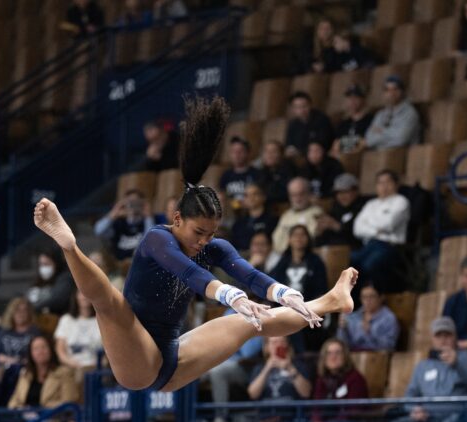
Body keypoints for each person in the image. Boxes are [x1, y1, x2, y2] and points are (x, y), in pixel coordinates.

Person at [33, 96, 358, 393]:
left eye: (211, 233)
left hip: (173, 363)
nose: (204, 241)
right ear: (177, 220)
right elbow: (187, 272)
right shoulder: (157, 240)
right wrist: (231, 295)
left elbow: (251, 275)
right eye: (198, 232)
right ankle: (69, 246)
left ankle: (331, 300)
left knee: (252, 322)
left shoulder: (214, 248)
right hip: (137, 362)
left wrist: (284, 294)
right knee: (110, 302)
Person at [388, 317, 467, 422]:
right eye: (439, 335)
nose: (443, 339)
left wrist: (457, 365)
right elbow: (410, 395)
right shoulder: (423, 366)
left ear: (455, 337)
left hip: (456, 416)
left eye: (447, 335)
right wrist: (415, 409)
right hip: (427, 418)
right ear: (433, 339)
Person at [7, 334, 79, 422]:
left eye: (44, 347)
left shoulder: (65, 373)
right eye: (36, 348)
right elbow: (14, 401)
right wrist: (24, 410)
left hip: (52, 419)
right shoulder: (25, 374)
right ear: (31, 353)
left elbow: (69, 402)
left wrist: (40, 410)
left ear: (51, 350)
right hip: (26, 419)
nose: (40, 351)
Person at [270, 224, 329, 351]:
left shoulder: (315, 261)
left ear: (308, 239)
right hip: (284, 309)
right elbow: (272, 284)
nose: (299, 238)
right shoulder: (283, 262)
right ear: (289, 239)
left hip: (308, 308)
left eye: (303, 234)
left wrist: (310, 308)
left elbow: (321, 289)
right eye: (295, 235)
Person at [203, 312, 264, 422]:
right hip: (222, 359)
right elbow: (217, 342)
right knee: (195, 371)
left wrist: (240, 329)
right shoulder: (230, 311)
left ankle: (220, 419)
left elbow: (248, 353)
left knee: (217, 372)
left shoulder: (257, 314)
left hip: (246, 367)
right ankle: (181, 420)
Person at [351, 170, 409, 293]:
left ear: (396, 184)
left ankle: (376, 295)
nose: (384, 186)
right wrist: (377, 231)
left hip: (390, 246)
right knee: (350, 262)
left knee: (369, 265)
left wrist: (369, 223)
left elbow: (388, 225)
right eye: (380, 183)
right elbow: (357, 228)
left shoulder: (401, 201)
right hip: (369, 245)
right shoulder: (371, 204)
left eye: (388, 182)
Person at [308, 338, 369, 422]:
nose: (333, 357)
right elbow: (316, 407)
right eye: (329, 353)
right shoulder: (321, 380)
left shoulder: (355, 378)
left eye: (337, 353)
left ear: (345, 356)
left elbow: (353, 411)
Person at [94, 189, 158, 263]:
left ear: (142, 203)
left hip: (138, 263)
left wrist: (148, 217)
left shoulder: (149, 221)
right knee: (95, 257)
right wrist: (114, 213)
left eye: (136, 202)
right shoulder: (118, 222)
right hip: (118, 262)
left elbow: (150, 240)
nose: (133, 205)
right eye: (130, 202)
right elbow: (98, 231)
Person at [338, 283, 400, 351]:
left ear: (381, 297)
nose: (367, 301)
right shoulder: (353, 317)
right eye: (364, 297)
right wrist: (343, 330)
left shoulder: (389, 318)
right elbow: (341, 345)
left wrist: (369, 333)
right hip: (353, 356)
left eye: (372, 296)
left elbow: (389, 346)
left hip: (377, 358)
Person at [364, 76, 420, 150]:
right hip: (381, 155)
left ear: (402, 91)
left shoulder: (410, 113)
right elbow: (369, 139)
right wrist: (392, 134)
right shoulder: (381, 114)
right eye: (387, 90)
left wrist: (381, 131)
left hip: (401, 155)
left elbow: (401, 139)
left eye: (395, 89)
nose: (391, 93)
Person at [272, 177, 324, 253]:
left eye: (301, 194)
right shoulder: (286, 215)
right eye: (293, 195)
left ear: (309, 194)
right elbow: (276, 240)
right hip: (284, 256)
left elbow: (311, 238)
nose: (297, 199)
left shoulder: (317, 212)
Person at [55, 290, 104, 369]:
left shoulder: (102, 320)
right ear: (75, 296)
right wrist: (72, 363)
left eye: (87, 293)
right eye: (81, 293)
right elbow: (60, 350)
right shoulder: (66, 320)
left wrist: (100, 364)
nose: (84, 296)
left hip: (97, 368)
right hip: (71, 368)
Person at [315, 173, 364, 248]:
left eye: (345, 192)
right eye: (338, 193)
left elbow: (358, 235)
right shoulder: (336, 208)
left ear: (355, 191)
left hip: (353, 248)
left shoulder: (363, 208)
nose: (342, 196)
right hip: (331, 247)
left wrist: (337, 226)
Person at [285, 91, 334, 159]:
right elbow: (289, 144)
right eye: (298, 107)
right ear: (293, 109)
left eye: (304, 106)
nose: (302, 110)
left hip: (317, 157)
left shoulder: (321, 119)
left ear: (310, 105)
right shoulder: (293, 125)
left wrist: (301, 152)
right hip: (297, 158)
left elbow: (324, 143)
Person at [230, 184, 276, 251]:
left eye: (255, 194)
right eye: (246, 195)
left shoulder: (272, 221)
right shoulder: (238, 223)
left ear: (263, 197)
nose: (251, 198)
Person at [27, 251, 75, 315]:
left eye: (46, 264)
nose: (43, 268)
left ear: (56, 264)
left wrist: (33, 309)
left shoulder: (65, 279)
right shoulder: (37, 281)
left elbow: (58, 300)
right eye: (41, 264)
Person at [331, 85, 373, 156]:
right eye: (350, 98)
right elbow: (336, 145)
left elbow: (365, 143)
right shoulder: (344, 123)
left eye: (356, 97)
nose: (352, 101)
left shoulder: (370, 120)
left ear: (363, 99)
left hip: (361, 157)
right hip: (342, 158)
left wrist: (351, 155)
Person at [219, 136, 259, 209]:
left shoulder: (257, 174)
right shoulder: (226, 175)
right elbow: (222, 196)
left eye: (240, 151)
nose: (237, 154)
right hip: (230, 212)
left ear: (248, 153)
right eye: (233, 151)